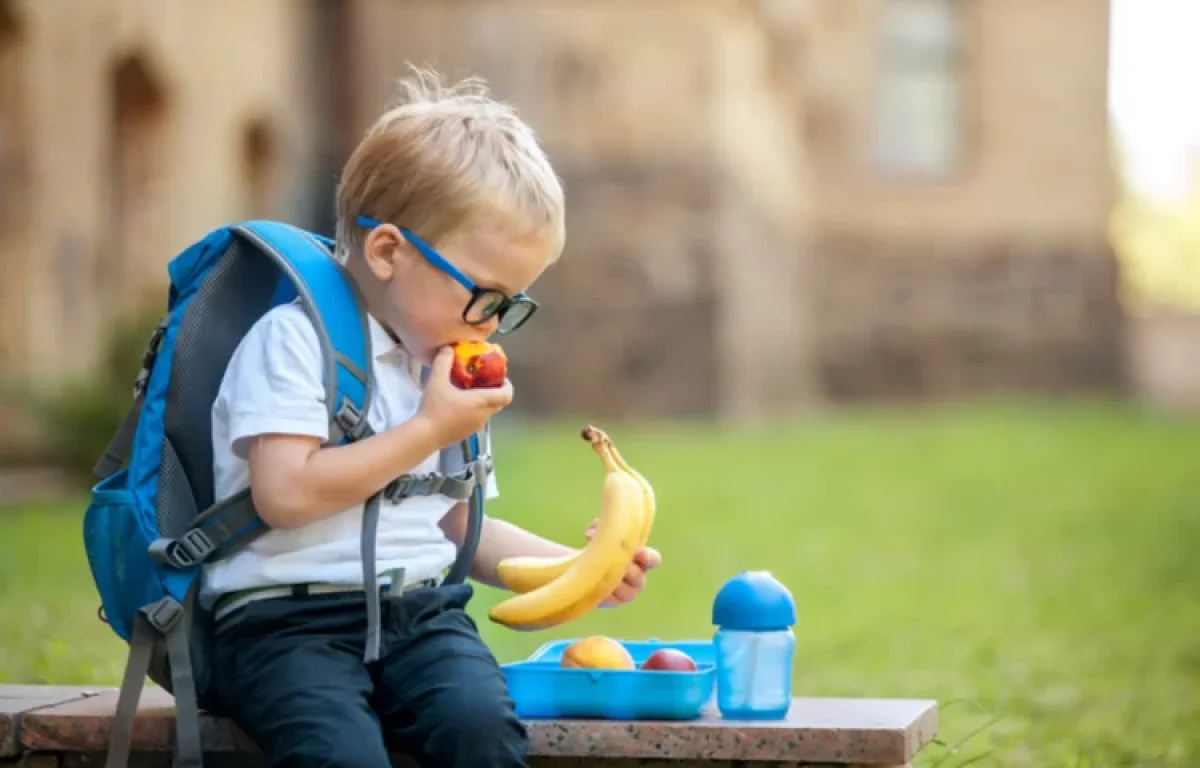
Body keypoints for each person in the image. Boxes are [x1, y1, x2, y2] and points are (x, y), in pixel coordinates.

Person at [200, 66, 662, 768]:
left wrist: (583, 569)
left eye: (511, 304)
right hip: (282, 624)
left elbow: (458, 528)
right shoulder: (295, 342)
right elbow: (284, 492)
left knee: (482, 732)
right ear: (388, 252)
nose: (493, 325)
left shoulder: (442, 366)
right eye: (485, 295)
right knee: (340, 756)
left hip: (419, 615)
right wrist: (426, 430)